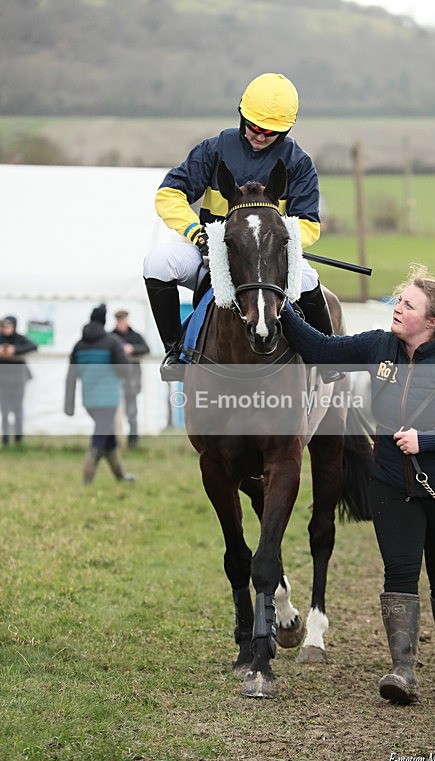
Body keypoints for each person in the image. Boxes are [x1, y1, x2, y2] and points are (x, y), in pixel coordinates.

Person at [280, 265, 435, 704]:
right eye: (399, 300)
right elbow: (321, 347)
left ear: (431, 321)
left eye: (408, 305)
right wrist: (278, 302)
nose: (397, 308)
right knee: (399, 571)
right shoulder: (380, 345)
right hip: (391, 484)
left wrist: (425, 441)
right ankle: (403, 670)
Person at [143, 72, 333, 381]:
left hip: (271, 259)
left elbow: (309, 224)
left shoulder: (298, 162)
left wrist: (270, 242)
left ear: (285, 130)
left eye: (271, 132)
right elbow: (169, 194)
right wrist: (196, 233)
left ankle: (328, 360)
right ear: (242, 115)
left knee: (310, 279)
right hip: (212, 254)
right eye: (254, 127)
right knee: (157, 262)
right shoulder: (214, 149)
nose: (260, 136)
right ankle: (175, 350)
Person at [64, 304, 135, 484]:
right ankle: (87, 476)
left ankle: (120, 476)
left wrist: (69, 405)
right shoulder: (112, 343)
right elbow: (124, 369)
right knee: (100, 435)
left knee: (108, 436)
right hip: (108, 399)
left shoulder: (78, 345)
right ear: (104, 321)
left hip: (89, 400)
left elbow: (71, 376)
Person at [111, 309, 150, 447]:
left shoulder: (135, 336)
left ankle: (133, 442)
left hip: (131, 379)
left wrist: (132, 349)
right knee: (114, 412)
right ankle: (114, 442)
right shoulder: (111, 337)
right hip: (115, 379)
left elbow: (146, 349)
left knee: (132, 412)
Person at [0, 315, 37, 445]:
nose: (5, 329)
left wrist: (14, 350)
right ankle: (5, 439)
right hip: (3, 380)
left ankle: (18, 439)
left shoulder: (19, 339)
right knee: (4, 411)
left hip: (18, 380)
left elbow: (33, 345)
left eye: (8, 326)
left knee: (18, 410)